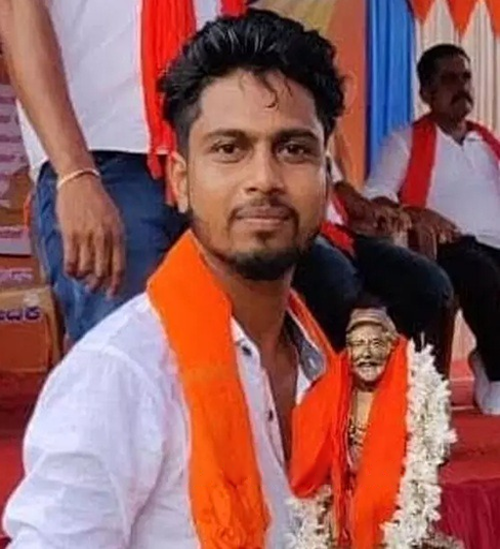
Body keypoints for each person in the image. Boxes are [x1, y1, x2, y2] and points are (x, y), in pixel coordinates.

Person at [3, 10, 350, 547]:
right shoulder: (120, 375)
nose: (264, 179)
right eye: (231, 149)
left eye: (294, 149)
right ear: (182, 181)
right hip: (102, 153)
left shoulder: (322, 363)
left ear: (326, 174)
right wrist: (74, 172)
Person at [0, 0, 246, 343]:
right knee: (132, 350)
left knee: (246, 351)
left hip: (221, 159)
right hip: (104, 166)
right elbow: (17, 12)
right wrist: (75, 173)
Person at [365, 44, 500, 414]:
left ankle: (487, 361)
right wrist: (414, 212)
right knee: (482, 272)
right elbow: (375, 194)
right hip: (448, 247)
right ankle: (497, 373)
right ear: (426, 92)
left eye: (466, 77)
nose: (462, 86)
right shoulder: (405, 141)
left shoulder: (487, 143)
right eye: (449, 79)